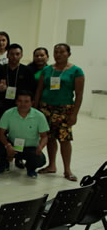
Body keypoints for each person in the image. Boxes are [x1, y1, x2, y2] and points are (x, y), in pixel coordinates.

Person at [35, 43, 85, 182]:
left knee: (64, 139)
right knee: (49, 137)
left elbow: (79, 94)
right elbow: (39, 90)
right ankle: (51, 165)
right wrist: (35, 108)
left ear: (68, 54)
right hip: (46, 108)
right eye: (56, 52)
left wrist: (74, 114)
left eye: (62, 52)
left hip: (64, 110)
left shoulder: (76, 71)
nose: (58, 54)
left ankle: (67, 169)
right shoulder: (47, 70)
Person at [0, 91, 49, 177]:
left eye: (26, 101)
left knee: (40, 159)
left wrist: (41, 146)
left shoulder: (39, 116)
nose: (23, 104)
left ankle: (30, 169)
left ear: (32, 103)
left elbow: (44, 136)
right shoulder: (8, 113)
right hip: (12, 145)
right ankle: (3, 165)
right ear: (16, 102)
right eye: (20, 101)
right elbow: (0, 133)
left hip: (30, 148)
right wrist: (7, 145)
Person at [0, 44, 35, 120]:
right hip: (3, 104)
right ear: (7, 55)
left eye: (17, 54)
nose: (14, 56)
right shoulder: (1, 69)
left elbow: (32, 89)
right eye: (12, 54)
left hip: (21, 105)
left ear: (21, 55)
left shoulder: (27, 70)